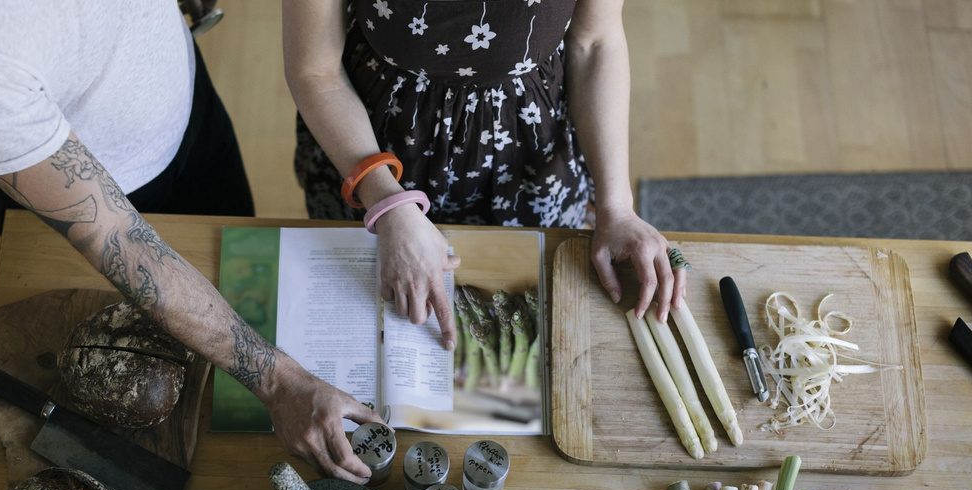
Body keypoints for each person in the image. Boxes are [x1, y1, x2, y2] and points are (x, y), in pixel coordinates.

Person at [0, 0, 382, 483]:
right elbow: (115, 234)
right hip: (110, 202)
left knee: (232, 281)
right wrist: (280, 383)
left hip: (187, 105)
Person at [284, 0, 689, 343]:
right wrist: (387, 203)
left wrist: (616, 206)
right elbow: (315, 71)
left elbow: (596, 42)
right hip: (374, 147)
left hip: (529, 153)